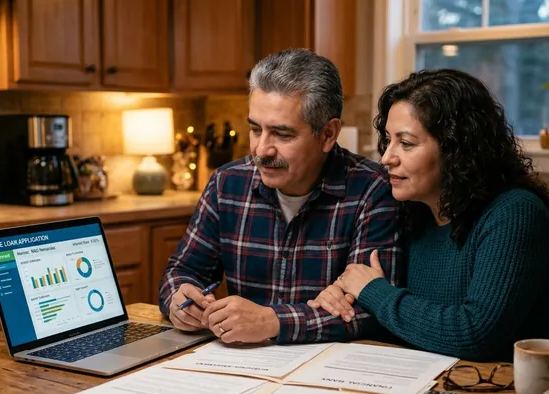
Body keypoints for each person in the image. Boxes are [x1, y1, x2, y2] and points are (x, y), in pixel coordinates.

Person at [309, 68, 549, 362]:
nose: (387, 157)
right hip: (439, 379)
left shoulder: (514, 213)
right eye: (388, 140)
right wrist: (340, 300)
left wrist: (374, 292)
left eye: (406, 143)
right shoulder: (410, 210)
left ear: (456, 149)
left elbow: (474, 334)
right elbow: (397, 317)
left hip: (530, 385)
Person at [159, 48, 401, 345]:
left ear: (328, 134)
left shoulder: (373, 190)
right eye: (255, 129)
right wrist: (179, 298)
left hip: (332, 366)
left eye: (282, 134)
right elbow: (182, 270)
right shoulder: (227, 184)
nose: (262, 150)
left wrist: (271, 321)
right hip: (240, 360)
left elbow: (373, 309)